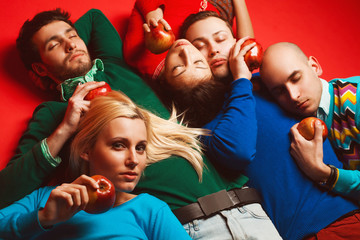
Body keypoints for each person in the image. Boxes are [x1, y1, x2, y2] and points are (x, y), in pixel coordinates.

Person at [180, 11, 360, 239]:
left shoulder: (269, 83)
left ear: (237, 44)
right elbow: (239, 150)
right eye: (200, 46)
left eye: (220, 38)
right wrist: (241, 79)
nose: (213, 49)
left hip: (344, 217)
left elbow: (261, 52)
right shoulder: (205, 124)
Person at [0, 8, 169, 209]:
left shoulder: (114, 65)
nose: (71, 44)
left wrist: (62, 48)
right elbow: (5, 192)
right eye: (54, 45)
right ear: (39, 68)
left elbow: (94, 17)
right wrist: (64, 129)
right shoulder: (56, 113)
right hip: (169, 218)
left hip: (212, 186)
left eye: (73, 36)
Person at [0, 90, 206, 239]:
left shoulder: (149, 210)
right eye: (118, 145)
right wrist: (44, 217)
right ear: (86, 150)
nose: (134, 159)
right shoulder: (45, 198)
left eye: (140, 147)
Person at [259, 42, 360, 204]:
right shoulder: (297, 119)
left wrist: (321, 172)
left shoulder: (356, 99)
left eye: (296, 78)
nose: (293, 95)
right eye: (279, 91)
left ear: (314, 66)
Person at [123, 0, 253, 96]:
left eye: (198, 46)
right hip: (222, 9)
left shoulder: (164, 50)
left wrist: (152, 14)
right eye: (198, 63)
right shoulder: (226, 61)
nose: (213, 50)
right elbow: (247, 44)